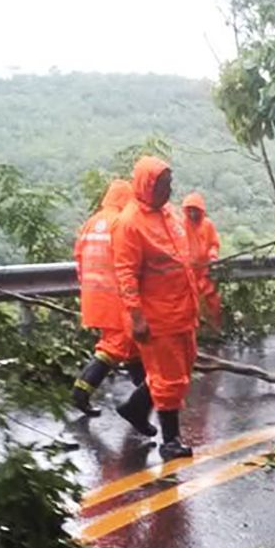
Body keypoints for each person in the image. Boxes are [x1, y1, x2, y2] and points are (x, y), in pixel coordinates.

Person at [113, 156, 200, 460]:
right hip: (157, 316)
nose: (169, 190)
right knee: (168, 378)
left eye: (170, 184)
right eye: (163, 185)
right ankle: (171, 441)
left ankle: (135, 407)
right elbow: (125, 274)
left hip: (182, 310)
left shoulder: (168, 214)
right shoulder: (130, 223)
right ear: (147, 185)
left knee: (181, 369)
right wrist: (136, 317)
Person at [70, 178, 144, 417]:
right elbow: (128, 263)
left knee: (132, 347)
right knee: (114, 346)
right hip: (116, 298)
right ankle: (81, 393)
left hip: (94, 296)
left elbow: (79, 259)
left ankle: (145, 395)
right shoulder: (120, 223)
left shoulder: (90, 223)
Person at [182, 192, 223, 334]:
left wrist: (212, 256)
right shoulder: (182, 225)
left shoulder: (208, 225)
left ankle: (215, 329)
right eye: (190, 210)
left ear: (201, 211)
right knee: (190, 303)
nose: (193, 213)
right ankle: (194, 332)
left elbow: (214, 244)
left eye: (195, 210)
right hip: (189, 272)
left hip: (205, 271)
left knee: (212, 300)